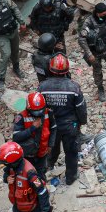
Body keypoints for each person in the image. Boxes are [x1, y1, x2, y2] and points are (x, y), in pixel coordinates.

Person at [38, 54, 87, 185]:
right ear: (67, 70)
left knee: (52, 147)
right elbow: (81, 109)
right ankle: (70, 177)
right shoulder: (74, 87)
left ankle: (49, 165)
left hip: (51, 126)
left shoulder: (42, 87)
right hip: (70, 126)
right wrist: (81, 123)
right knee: (71, 152)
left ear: (51, 69)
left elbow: (39, 108)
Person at [12, 92, 56, 176]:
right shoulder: (21, 117)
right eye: (35, 111)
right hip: (28, 154)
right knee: (29, 175)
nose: (39, 114)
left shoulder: (48, 113)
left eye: (41, 110)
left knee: (41, 174)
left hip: (43, 152)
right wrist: (33, 128)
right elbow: (16, 137)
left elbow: (53, 128)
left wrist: (51, 144)